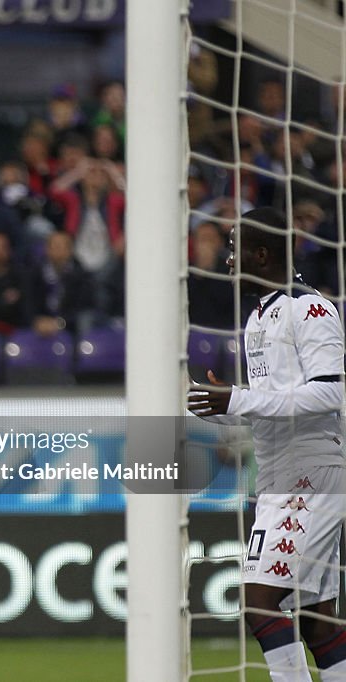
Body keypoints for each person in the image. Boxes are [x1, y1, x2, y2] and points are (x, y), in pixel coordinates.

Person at [188, 207, 346, 681]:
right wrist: (233, 403)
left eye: (236, 250)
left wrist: (237, 398)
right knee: (318, 621)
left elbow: (331, 391)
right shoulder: (259, 315)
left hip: (313, 468)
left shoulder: (310, 308)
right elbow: (276, 395)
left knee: (259, 602)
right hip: (275, 469)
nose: (229, 260)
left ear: (262, 253)